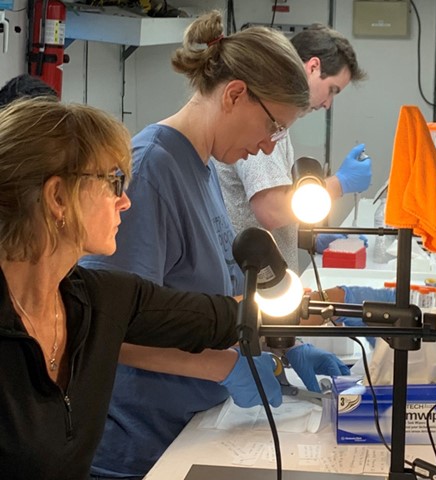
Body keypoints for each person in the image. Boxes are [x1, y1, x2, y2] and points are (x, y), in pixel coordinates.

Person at [79, 11, 350, 479]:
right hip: (139, 445)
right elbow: (106, 328)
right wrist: (224, 367)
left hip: (191, 426)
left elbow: (204, 306)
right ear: (235, 94)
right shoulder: (151, 171)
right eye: (273, 127)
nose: (270, 148)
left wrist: (274, 347)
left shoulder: (201, 168)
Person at [0, 97, 246, 480]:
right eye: (114, 182)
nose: (126, 201)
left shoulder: (101, 299)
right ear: (58, 198)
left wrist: (324, 311)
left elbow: (219, 317)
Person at [214, 23, 371, 273]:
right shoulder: (265, 119)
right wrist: (340, 183)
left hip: (267, 281)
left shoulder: (276, 121)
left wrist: (310, 239)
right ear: (313, 67)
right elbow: (271, 210)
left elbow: (254, 214)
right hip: (254, 288)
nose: (329, 103)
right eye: (332, 90)